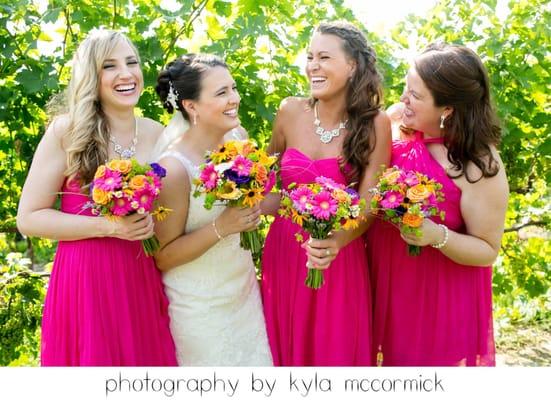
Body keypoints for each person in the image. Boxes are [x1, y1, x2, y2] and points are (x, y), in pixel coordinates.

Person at [16, 30, 177, 366]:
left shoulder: (156, 133)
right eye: (110, 66)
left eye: (131, 62)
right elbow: (29, 218)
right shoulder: (67, 131)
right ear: (92, 76)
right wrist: (109, 226)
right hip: (86, 281)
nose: (126, 73)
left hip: (141, 279)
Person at [366, 43, 509, 366]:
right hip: (381, 281)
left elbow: (487, 249)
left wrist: (436, 235)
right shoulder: (395, 122)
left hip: (433, 301)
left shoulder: (478, 164)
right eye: (405, 87)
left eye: (415, 95)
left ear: (447, 109)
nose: (403, 99)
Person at [260, 21, 391, 366]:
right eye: (309, 57)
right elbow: (265, 179)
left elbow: (368, 203)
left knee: (333, 354)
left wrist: (335, 243)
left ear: (352, 66)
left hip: (337, 256)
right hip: (284, 253)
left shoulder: (375, 123)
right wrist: (240, 195)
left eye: (324, 57)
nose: (312, 66)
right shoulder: (289, 111)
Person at [153, 54, 273, 366]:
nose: (234, 98)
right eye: (221, 93)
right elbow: (163, 255)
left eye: (232, 88)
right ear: (191, 106)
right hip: (200, 308)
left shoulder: (238, 138)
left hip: (244, 294)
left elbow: (254, 198)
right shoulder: (174, 168)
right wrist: (223, 226)